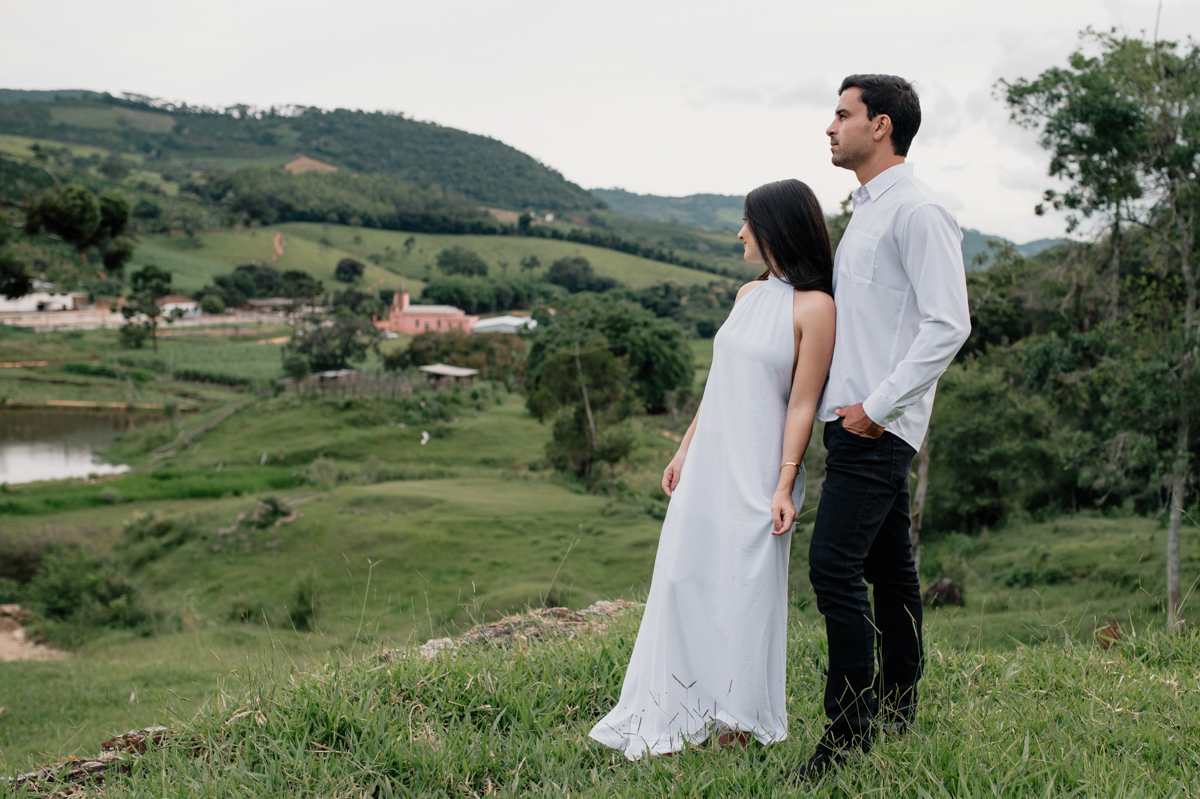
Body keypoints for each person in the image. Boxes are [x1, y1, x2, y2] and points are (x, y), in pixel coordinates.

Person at [588, 179, 837, 760]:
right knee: (683, 580)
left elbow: (803, 402)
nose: (740, 233)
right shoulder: (747, 297)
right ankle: (681, 706)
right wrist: (682, 450)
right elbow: (717, 386)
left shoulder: (816, 307)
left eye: (749, 222)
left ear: (776, 229)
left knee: (746, 592)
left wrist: (784, 481)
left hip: (758, 472)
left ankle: (738, 721)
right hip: (708, 465)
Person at [790, 74, 972, 783]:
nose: (830, 127)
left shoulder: (919, 211)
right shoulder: (866, 210)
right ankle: (898, 703)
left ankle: (848, 730)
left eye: (843, 114)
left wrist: (878, 405)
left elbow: (948, 324)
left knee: (831, 568)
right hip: (853, 420)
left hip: (876, 424)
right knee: (891, 570)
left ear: (882, 125)